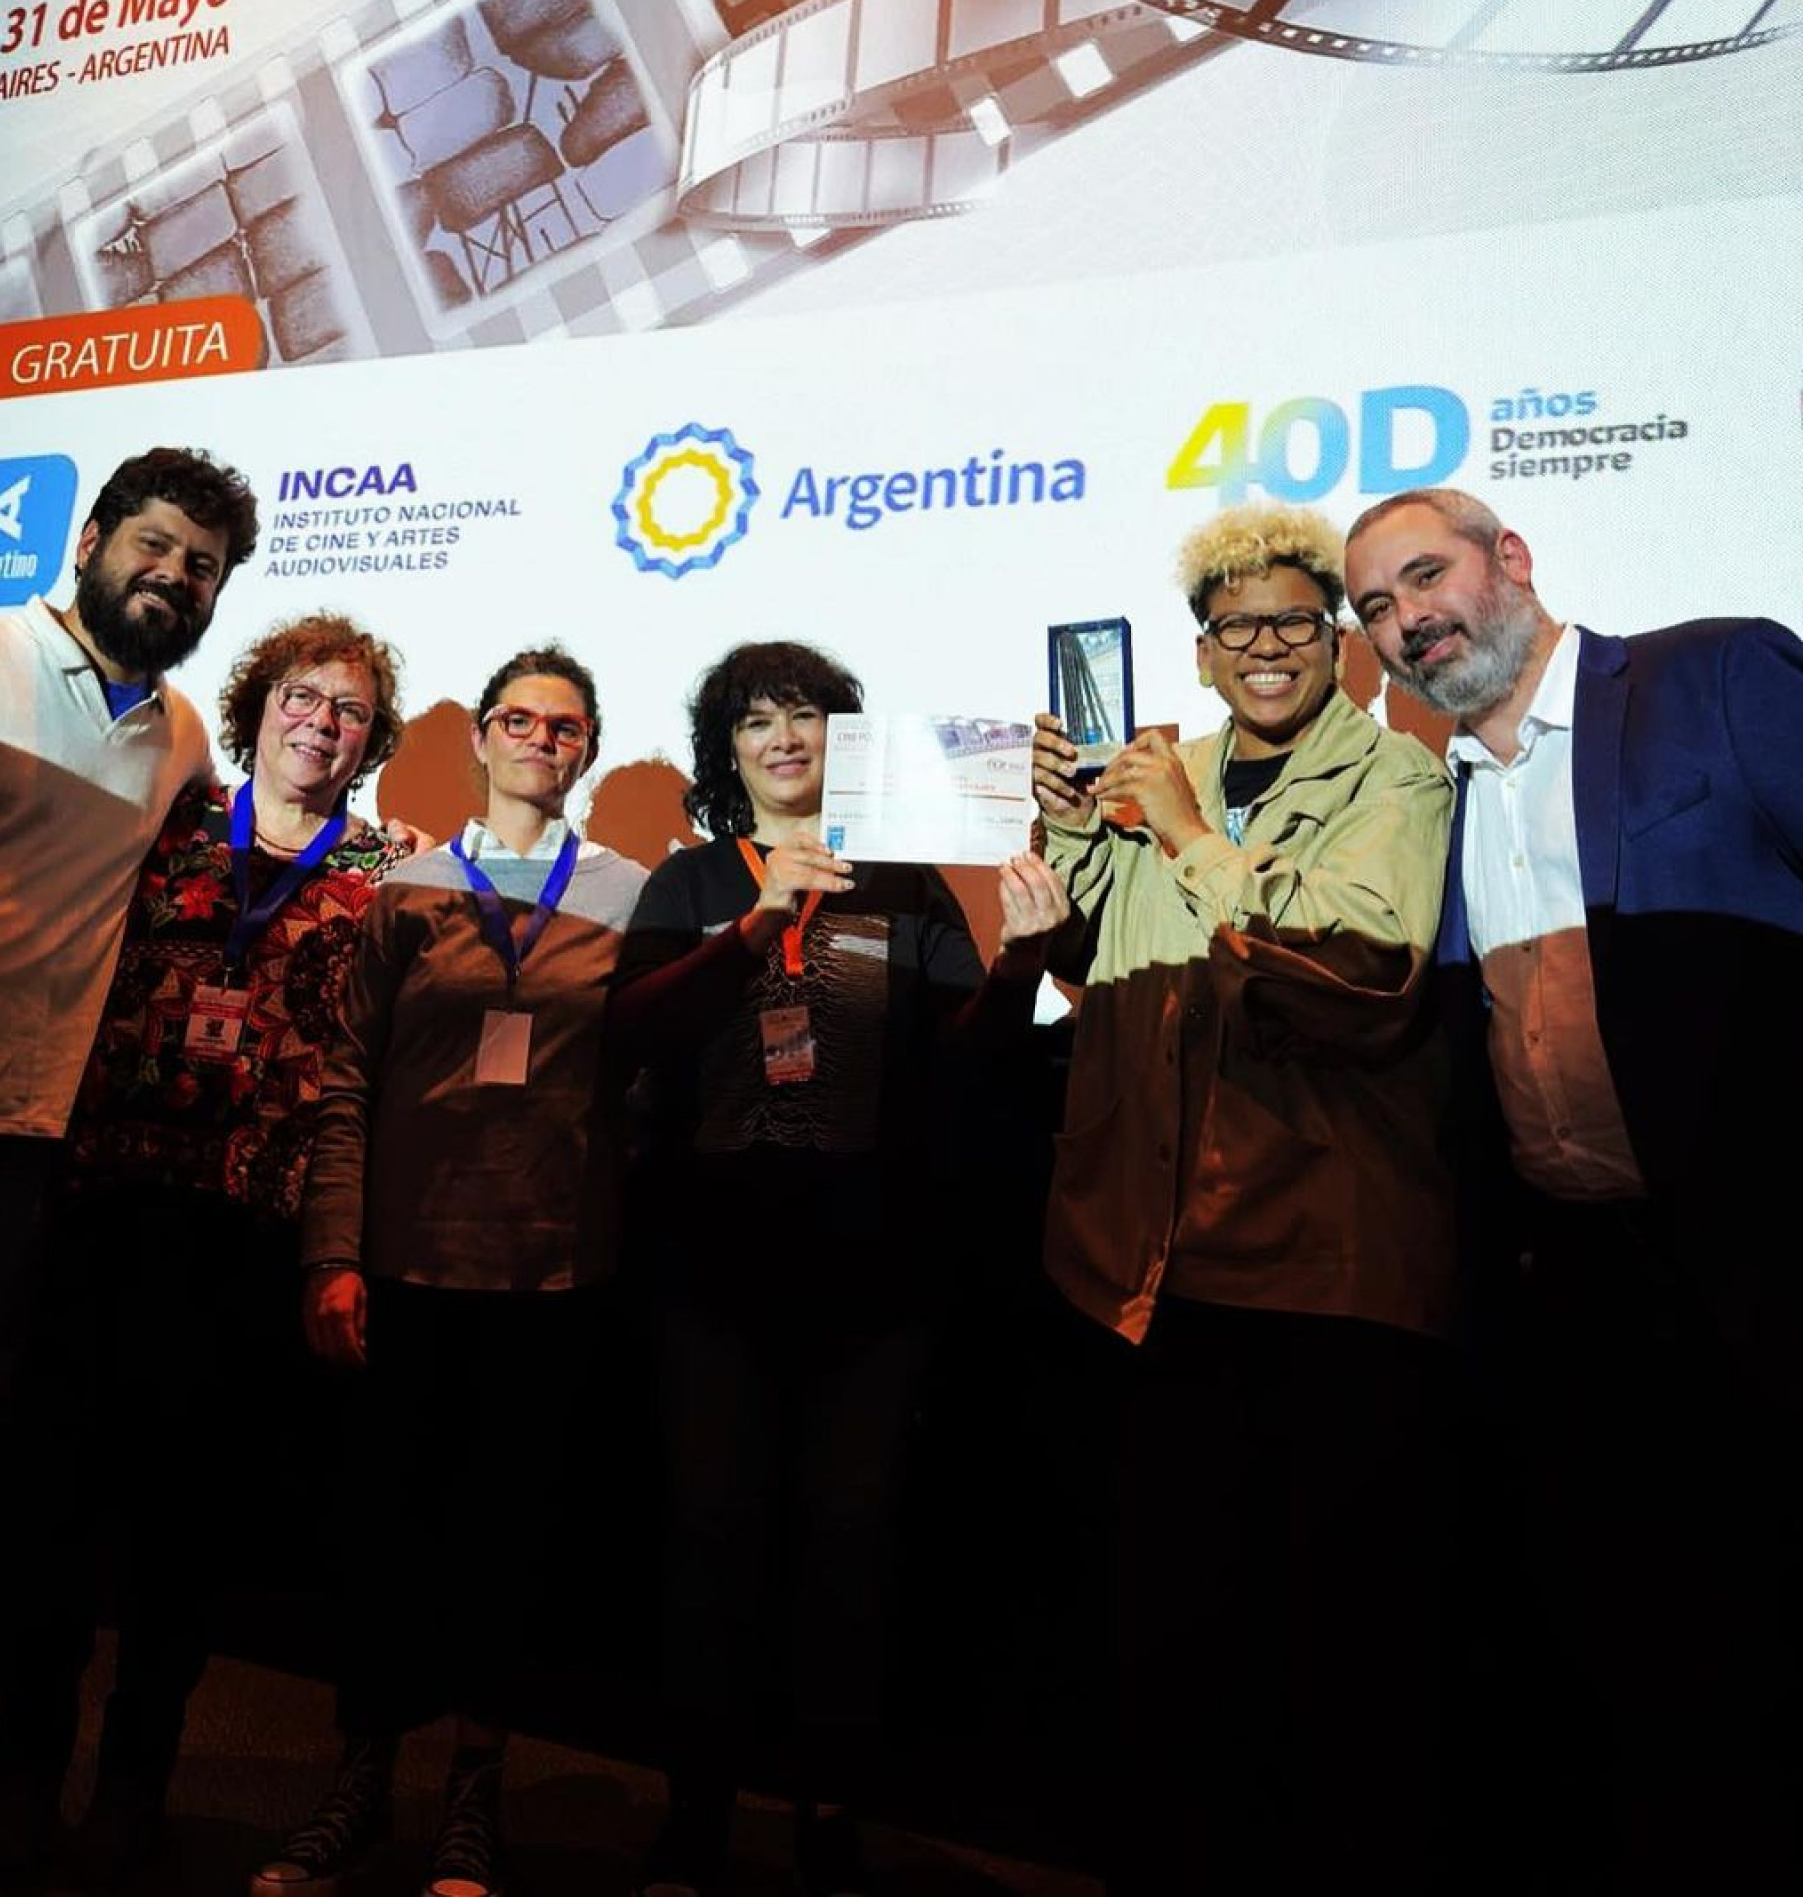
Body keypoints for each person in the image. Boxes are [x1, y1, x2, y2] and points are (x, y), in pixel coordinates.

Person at [1343, 486, 1803, 1892]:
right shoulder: (1434, 805)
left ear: (1512, 560)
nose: (1409, 621)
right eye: (1377, 608)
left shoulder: (1713, 674)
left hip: (1768, 1264)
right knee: (1663, 1666)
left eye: (1427, 577)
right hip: (1583, 1299)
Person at [1031, 501, 1455, 1897]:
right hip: (1151, 1272)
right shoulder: (1166, 774)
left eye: (1293, 622)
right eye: (1236, 628)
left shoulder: (1398, 780)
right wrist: (1071, 833)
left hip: (1318, 1271)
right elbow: (1103, 961)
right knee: (1169, 1649)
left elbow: (1364, 972)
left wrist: (1189, 834)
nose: (1265, 647)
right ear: (1202, 655)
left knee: (1327, 1660)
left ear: (1339, 645)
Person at [611, 639, 1066, 1897]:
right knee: (709, 1540)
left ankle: (829, 1813)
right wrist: (752, 930)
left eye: (805, 715)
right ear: (729, 751)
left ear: (842, 738)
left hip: (872, 1277)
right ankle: (696, 1813)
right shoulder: (692, 878)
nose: (783, 738)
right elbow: (634, 1028)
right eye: (756, 721)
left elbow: (971, 1053)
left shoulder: (904, 880)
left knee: (849, 1551)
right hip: (712, 1272)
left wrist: (1023, 962)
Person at [0, 612, 411, 1889]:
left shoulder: (390, 872)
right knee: (48, 1521)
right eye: (303, 695)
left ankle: (133, 1786)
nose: (322, 722)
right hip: (100, 1212)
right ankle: (21, 1774)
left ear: (370, 742)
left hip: (252, 1237)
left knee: (186, 1538)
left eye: (350, 710)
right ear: (257, 706)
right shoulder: (165, 828)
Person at [0, 444, 256, 1890]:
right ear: (91, 538)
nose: (174, 577)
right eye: (155, 545)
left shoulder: (178, 741)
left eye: (203, 567)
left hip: (7, 1165)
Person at [253, 646, 647, 1897]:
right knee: (383, 1541)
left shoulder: (635, 898)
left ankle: (474, 1791)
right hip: (405, 1269)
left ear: (587, 750)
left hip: (551, 1277)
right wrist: (332, 1253)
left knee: (506, 1547)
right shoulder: (410, 890)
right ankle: (360, 1779)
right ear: (481, 737)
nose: (540, 740)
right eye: (518, 720)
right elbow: (348, 1084)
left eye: (564, 727)